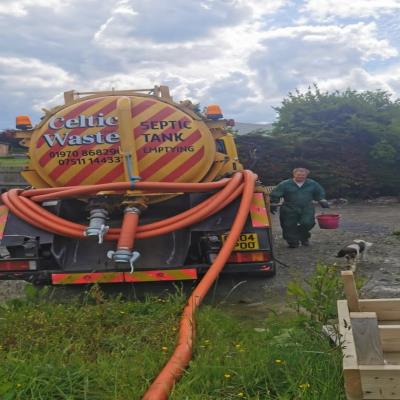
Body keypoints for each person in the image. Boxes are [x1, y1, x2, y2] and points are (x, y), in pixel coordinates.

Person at [269, 168, 329, 248]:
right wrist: (273, 203)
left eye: (303, 175)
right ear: (294, 174)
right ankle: (292, 241)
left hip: (306, 207)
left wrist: (322, 200)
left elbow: (319, 192)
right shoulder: (285, 184)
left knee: (307, 223)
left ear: (306, 175)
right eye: (298, 175)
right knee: (288, 225)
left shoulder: (312, 183)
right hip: (289, 207)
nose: (300, 176)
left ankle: (304, 237)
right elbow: (275, 194)